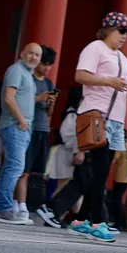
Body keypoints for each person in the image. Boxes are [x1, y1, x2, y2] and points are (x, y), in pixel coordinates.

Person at [47, 13, 127, 243]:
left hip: (116, 120)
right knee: (100, 171)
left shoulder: (124, 60)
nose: (125, 36)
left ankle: (80, 219)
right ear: (108, 30)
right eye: (122, 31)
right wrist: (110, 81)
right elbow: (80, 75)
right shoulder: (95, 48)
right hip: (95, 115)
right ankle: (98, 222)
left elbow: (117, 87)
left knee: (102, 172)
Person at [0, 43, 40, 225]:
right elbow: (9, 98)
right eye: (31, 53)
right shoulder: (16, 70)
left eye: (37, 55)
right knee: (15, 167)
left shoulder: (28, 74)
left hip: (21, 127)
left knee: (11, 167)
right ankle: (4, 207)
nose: (34, 57)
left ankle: (0, 207)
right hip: (14, 125)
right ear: (22, 54)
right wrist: (21, 120)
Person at [40, 86, 84, 226]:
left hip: (68, 151)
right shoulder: (72, 114)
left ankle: (63, 215)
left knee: (70, 186)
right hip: (67, 152)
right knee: (64, 185)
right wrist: (77, 150)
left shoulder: (74, 113)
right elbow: (68, 135)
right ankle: (53, 213)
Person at [20, 45, 56, 213]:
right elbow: (23, 102)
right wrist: (39, 97)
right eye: (44, 64)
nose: (46, 68)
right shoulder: (29, 79)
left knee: (38, 170)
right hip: (30, 127)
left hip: (43, 129)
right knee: (24, 168)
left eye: (49, 65)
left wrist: (51, 103)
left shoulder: (48, 83)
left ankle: (33, 202)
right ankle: (19, 202)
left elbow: (49, 113)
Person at [108, 134, 127, 231]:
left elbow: (114, 160)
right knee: (120, 199)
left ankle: (119, 222)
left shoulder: (120, 147)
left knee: (117, 199)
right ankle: (123, 222)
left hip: (120, 176)